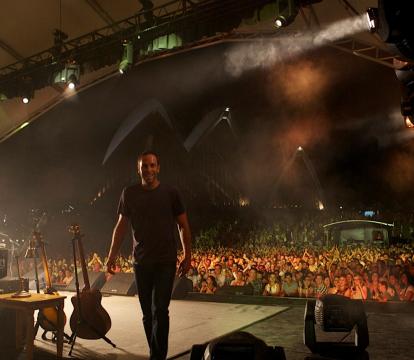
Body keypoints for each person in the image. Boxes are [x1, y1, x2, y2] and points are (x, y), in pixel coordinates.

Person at [106, 151, 191, 360]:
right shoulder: (129, 193)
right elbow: (121, 227)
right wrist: (111, 256)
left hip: (165, 261)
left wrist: (188, 255)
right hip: (141, 262)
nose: (149, 170)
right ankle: (155, 352)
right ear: (139, 169)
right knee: (147, 314)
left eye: (152, 165)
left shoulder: (171, 193)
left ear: (158, 167)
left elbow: (183, 226)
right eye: (145, 166)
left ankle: (157, 357)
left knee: (160, 309)